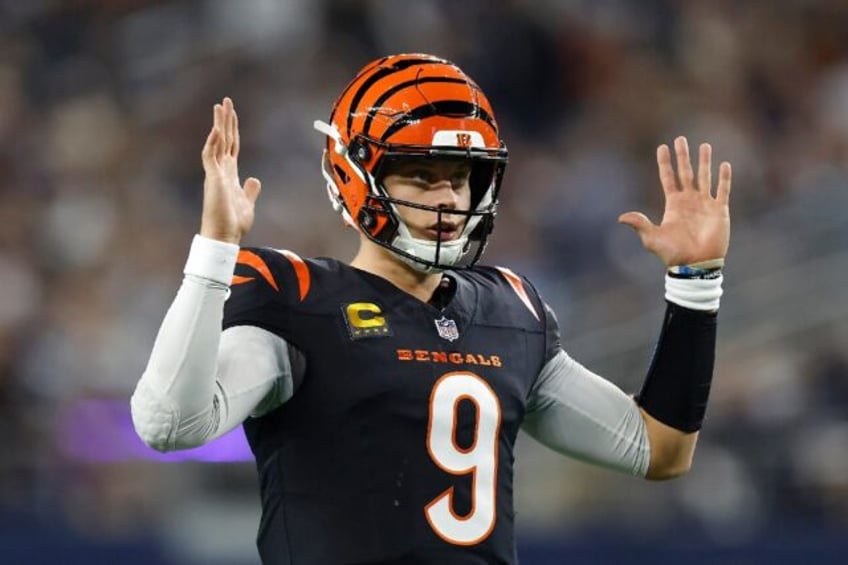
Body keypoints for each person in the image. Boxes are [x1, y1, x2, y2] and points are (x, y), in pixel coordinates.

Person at [131, 53, 732, 564]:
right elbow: (168, 424)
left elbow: (658, 449)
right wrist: (213, 252)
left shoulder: (511, 311)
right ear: (356, 175)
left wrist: (694, 284)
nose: (447, 197)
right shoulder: (301, 301)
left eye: (460, 177)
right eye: (420, 175)